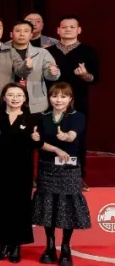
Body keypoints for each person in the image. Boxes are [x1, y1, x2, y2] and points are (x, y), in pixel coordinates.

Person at [32, 82, 89, 266]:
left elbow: (73, 134)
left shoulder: (77, 116)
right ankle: (50, 246)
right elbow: (39, 142)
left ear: (70, 99)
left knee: (67, 206)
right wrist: (55, 147)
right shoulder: (42, 117)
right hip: (48, 168)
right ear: (49, 98)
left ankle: (65, 247)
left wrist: (67, 137)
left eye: (63, 96)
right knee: (47, 205)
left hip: (69, 168)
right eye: (55, 96)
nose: (58, 100)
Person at [0, 82, 40, 263]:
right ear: (4, 97)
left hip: (21, 170)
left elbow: (37, 144)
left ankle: (15, 245)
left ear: (25, 98)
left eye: (19, 95)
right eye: (11, 95)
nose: (15, 99)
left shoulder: (32, 119)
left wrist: (37, 139)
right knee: (0, 206)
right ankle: (3, 243)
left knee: (19, 207)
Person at [48, 16, 99, 185]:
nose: (68, 30)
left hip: (78, 101)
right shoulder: (49, 52)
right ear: (58, 30)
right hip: (52, 101)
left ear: (79, 30)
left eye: (72, 27)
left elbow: (94, 78)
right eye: (64, 27)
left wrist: (85, 75)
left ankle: (77, 176)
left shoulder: (88, 51)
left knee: (77, 137)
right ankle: (48, 176)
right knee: (51, 135)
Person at [9, 20, 60, 114]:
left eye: (26, 31)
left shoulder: (42, 53)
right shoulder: (3, 50)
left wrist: (53, 72)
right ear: (11, 34)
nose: (22, 34)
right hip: (8, 100)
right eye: (18, 31)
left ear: (31, 35)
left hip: (34, 101)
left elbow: (50, 74)